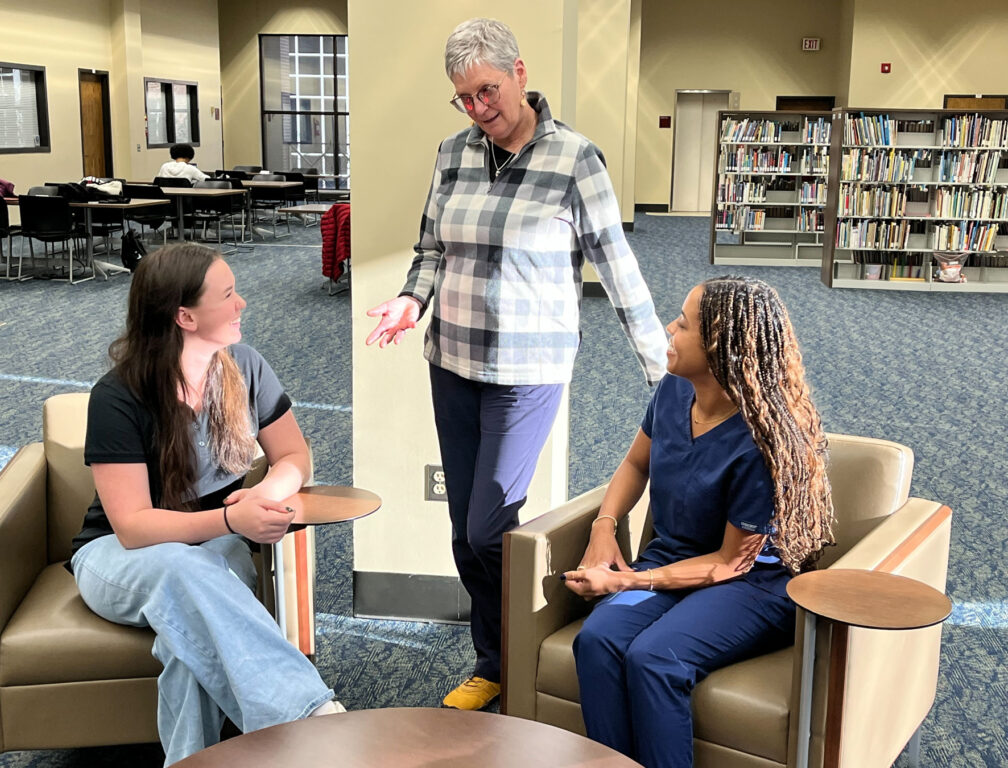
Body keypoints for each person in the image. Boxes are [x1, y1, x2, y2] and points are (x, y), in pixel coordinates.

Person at [365, 18, 667, 711]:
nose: (477, 109)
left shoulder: (575, 160)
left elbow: (618, 271)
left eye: (487, 91)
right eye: (463, 97)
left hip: (528, 368)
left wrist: (666, 372)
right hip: (452, 358)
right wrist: (412, 301)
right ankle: (495, 661)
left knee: (487, 527)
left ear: (520, 73)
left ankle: (535, 636)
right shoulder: (452, 153)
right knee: (464, 535)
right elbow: (431, 247)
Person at [68, 244, 343, 767]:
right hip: (118, 558)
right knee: (179, 566)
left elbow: (294, 456)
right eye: (228, 294)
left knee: (186, 643)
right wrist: (227, 520)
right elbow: (130, 527)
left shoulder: (245, 367)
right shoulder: (119, 395)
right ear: (184, 316)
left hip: (216, 549)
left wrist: (265, 493)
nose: (242, 304)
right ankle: (309, 716)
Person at [565, 276, 835, 768]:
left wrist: (626, 580)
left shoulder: (762, 440)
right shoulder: (672, 390)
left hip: (753, 584)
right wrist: (603, 528)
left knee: (655, 659)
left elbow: (731, 563)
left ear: (721, 347)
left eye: (684, 324)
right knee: (598, 640)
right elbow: (635, 464)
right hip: (675, 558)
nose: (670, 327)